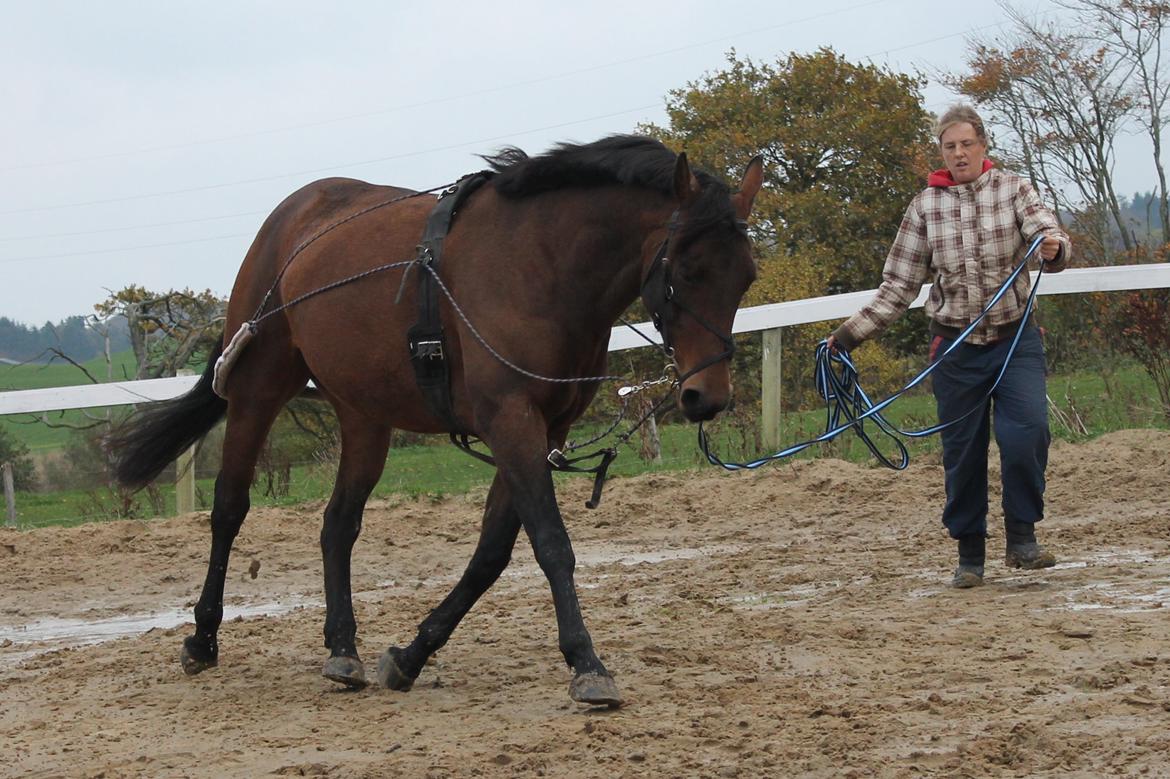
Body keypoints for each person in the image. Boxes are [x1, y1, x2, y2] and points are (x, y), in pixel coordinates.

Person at [825, 104, 1071, 589]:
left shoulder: (1014, 189)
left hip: (1015, 339)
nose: (958, 153)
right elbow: (897, 286)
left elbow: (1045, 228)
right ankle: (970, 556)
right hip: (956, 349)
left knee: (1027, 435)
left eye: (966, 144)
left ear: (983, 146)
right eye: (949, 146)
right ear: (941, 152)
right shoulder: (924, 208)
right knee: (963, 453)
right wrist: (848, 335)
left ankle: (1022, 537)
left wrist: (1053, 245)